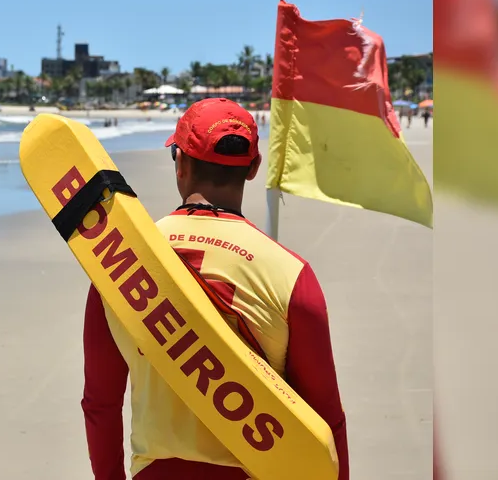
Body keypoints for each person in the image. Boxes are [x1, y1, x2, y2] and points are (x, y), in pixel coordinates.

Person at [81, 98, 349, 480]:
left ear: (180, 163)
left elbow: (101, 405)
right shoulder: (290, 274)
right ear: (254, 168)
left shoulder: (118, 263)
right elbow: (327, 424)